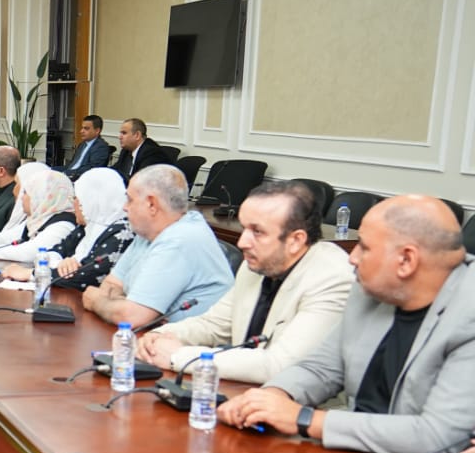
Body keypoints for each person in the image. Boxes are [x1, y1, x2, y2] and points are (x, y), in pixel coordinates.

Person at [220, 195, 475, 453]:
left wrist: (305, 419)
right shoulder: (372, 288)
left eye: (364, 247)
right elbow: (322, 368)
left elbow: (437, 438)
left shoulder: (468, 316)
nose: (352, 258)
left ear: (406, 260)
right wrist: (271, 397)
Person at [138, 179, 352, 381]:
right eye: (244, 228)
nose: (242, 242)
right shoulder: (260, 263)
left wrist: (178, 356)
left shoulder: (332, 277)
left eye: (257, 232)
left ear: (296, 240)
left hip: (298, 403)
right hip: (245, 390)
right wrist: (158, 336)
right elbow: (213, 325)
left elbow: (281, 365)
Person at [81, 164, 233, 325]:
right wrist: (125, 306)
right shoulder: (148, 231)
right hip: (151, 335)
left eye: (130, 200)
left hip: (190, 340)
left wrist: (96, 301)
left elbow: (132, 318)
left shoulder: (181, 239)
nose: (125, 207)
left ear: (152, 204)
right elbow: (111, 284)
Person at [0, 167, 77, 264]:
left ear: (40, 196)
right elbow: (10, 236)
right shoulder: (39, 219)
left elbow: (29, 253)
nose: (21, 197)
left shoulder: (62, 225)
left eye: (26, 192)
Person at [64, 115, 114, 179]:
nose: (81, 131)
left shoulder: (101, 147)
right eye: (82, 128)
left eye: (86, 128)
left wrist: (66, 173)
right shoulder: (82, 144)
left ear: (97, 131)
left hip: (80, 178)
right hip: (69, 174)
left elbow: (91, 169)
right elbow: (72, 165)